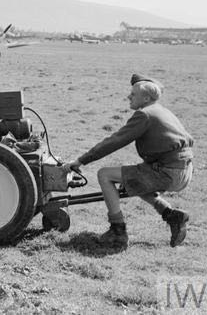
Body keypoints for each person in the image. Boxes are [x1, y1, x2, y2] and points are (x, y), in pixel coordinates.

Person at [63, 74, 193, 248]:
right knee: (133, 180)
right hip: (184, 170)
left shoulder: (144, 114)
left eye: (133, 94)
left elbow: (116, 141)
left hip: (168, 171)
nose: (128, 97)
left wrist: (80, 161)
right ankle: (172, 215)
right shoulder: (162, 110)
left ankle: (118, 231)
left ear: (146, 98)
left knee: (105, 174)